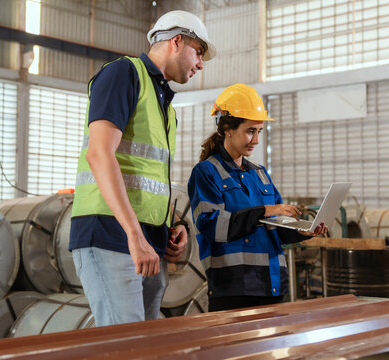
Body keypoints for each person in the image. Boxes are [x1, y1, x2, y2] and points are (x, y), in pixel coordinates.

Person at [69, 10, 216, 326]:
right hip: (111, 234)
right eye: (198, 52)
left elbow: (146, 177)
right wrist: (135, 236)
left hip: (150, 241)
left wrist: (173, 224)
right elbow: (99, 154)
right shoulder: (124, 74)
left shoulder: (165, 107)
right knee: (127, 344)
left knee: (146, 344)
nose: (201, 64)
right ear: (176, 41)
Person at [187, 83, 327, 312]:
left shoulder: (259, 174)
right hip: (233, 289)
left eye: (259, 131)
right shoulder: (206, 172)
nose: (256, 140)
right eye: (250, 131)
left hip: (272, 285)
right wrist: (264, 211)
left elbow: (277, 228)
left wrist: (301, 231)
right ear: (226, 129)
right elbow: (212, 227)